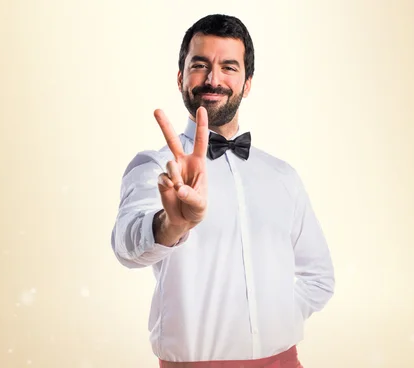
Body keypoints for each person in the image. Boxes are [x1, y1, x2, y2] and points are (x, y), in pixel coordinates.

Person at [111, 14, 335, 368]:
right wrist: (172, 226)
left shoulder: (282, 176)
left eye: (229, 67)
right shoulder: (155, 167)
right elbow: (125, 247)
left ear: (247, 83)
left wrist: (277, 320)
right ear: (181, 77)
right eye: (200, 65)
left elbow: (319, 276)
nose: (213, 79)